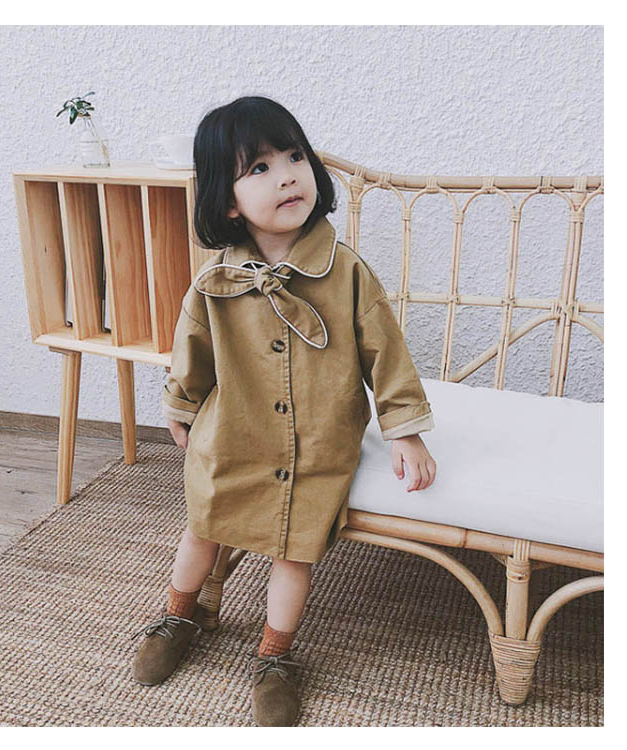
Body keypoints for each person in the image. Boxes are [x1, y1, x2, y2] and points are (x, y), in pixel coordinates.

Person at [130, 95, 437, 726]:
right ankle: (179, 615)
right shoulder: (215, 280)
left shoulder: (346, 272)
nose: (288, 176)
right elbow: (192, 349)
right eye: (260, 168)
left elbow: (386, 352)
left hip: (317, 443)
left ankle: (275, 656)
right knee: (201, 529)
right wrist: (180, 404)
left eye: (295, 157)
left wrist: (404, 430)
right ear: (228, 201)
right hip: (231, 436)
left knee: (293, 553)